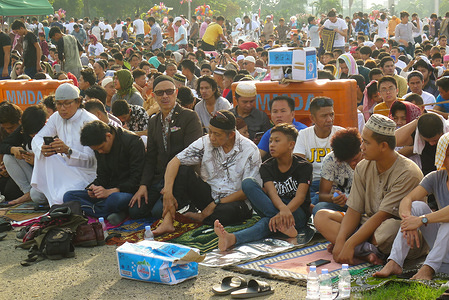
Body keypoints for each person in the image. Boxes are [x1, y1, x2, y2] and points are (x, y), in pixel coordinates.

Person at [314, 114, 424, 265]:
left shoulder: (408, 172)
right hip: (367, 224)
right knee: (321, 216)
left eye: (366, 142)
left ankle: (360, 250)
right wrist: (340, 242)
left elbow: (382, 216)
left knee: (387, 230)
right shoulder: (363, 166)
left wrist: (350, 243)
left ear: (383, 146)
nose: (361, 148)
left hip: (394, 228)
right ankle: (366, 253)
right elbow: (354, 210)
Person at [152, 110, 260, 236]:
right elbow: (174, 162)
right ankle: (168, 221)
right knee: (182, 170)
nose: (212, 137)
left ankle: (202, 218)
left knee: (229, 213)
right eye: (210, 131)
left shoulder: (250, 150)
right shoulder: (206, 142)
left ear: (231, 135)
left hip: (233, 202)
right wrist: (168, 193)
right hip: (210, 196)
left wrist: (215, 204)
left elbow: (248, 190)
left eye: (217, 134)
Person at [214, 123, 312, 250]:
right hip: (274, 206)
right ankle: (281, 225)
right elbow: (272, 193)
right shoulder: (266, 167)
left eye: (277, 141)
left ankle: (232, 238)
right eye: (270, 141)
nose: (271, 144)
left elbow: (300, 197)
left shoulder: (304, 167)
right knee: (248, 183)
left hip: (295, 213)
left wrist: (284, 212)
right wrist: (281, 211)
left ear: (291, 145)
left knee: (268, 222)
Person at [374, 132, 449, 280]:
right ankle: (395, 261)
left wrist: (422, 220)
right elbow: (407, 200)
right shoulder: (436, 177)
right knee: (416, 206)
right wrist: (410, 222)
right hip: (444, 251)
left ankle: (428, 269)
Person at [128, 75, 203, 219]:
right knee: (136, 210)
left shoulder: (189, 117)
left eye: (169, 91)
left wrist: (169, 187)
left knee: (158, 212)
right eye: (160, 93)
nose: (165, 96)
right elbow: (150, 157)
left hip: (181, 178)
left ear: (176, 93)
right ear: (154, 96)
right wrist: (143, 185)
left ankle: (186, 203)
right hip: (158, 179)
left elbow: (192, 156)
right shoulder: (154, 121)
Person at [64, 120, 145, 225]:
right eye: (97, 150)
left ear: (109, 136)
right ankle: (110, 212)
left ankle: (98, 211)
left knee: (115, 199)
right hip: (107, 192)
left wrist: (111, 191)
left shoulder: (132, 141)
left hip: (126, 192)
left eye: (101, 148)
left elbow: (137, 180)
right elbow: (102, 176)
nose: (100, 152)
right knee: (68, 196)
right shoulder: (99, 148)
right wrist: (93, 188)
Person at [31, 83, 98, 206]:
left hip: (85, 174)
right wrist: (42, 148)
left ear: (78, 102)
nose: (62, 108)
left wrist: (69, 151)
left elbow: (91, 161)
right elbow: (37, 138)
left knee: (63, 198)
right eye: (59, 104)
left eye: (67, 103)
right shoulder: (56, 117)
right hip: (63, 169)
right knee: (35, 196)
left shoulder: (89, 121)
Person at [293, 97, 344, 205]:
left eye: (331, 114)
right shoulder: (303, 135)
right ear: (312, 118)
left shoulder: (341, 134)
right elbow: (298, 165)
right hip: (311, 183)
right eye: (324, 116)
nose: (329, 119)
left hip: (337, 184)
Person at [312, 128, 363, 216]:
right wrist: (334, 198)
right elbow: (322, 195)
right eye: (347, 161)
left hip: (365, 206)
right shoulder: (331, 160)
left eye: (355, 159)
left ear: (361, 149)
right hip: (342, 205)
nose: (353, 163)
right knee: (319, 208)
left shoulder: (370, 158)